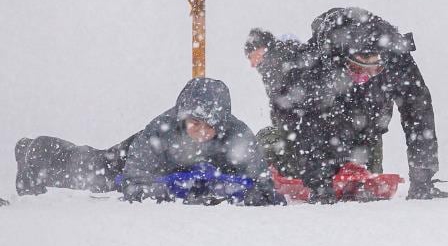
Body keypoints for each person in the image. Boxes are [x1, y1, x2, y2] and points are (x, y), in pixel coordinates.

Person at [270, 6, 448, 203]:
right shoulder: (312, 65)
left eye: (376, 69)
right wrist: (319, 183)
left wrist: (422, 180)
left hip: (367, 132)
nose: (366, 76)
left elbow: (418, 113)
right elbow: (301, 123)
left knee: (364, 191)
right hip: (320, 135)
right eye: (358, 67)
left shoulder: (396, 56)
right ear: (341, 58)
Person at [13, 77, 279, 205]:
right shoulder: (159, 131)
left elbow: (266, 187)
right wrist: (170, 189)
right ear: (182, 119)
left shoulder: (239, 137)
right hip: (141, 160)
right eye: (194, 124)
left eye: (209, 127)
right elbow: (133, 181)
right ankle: (34, 152)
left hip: (192, 173)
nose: (200, 132)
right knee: (93, 169)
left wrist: (236, 192)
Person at [244, 28, 305, 177]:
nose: (252, 64)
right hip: (303, 126)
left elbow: (283, 104)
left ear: (261, 49)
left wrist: (283, 129)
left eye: (251, 56)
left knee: (264, 143)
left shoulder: (275, 63)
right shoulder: (282, 56)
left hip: (300, 130)